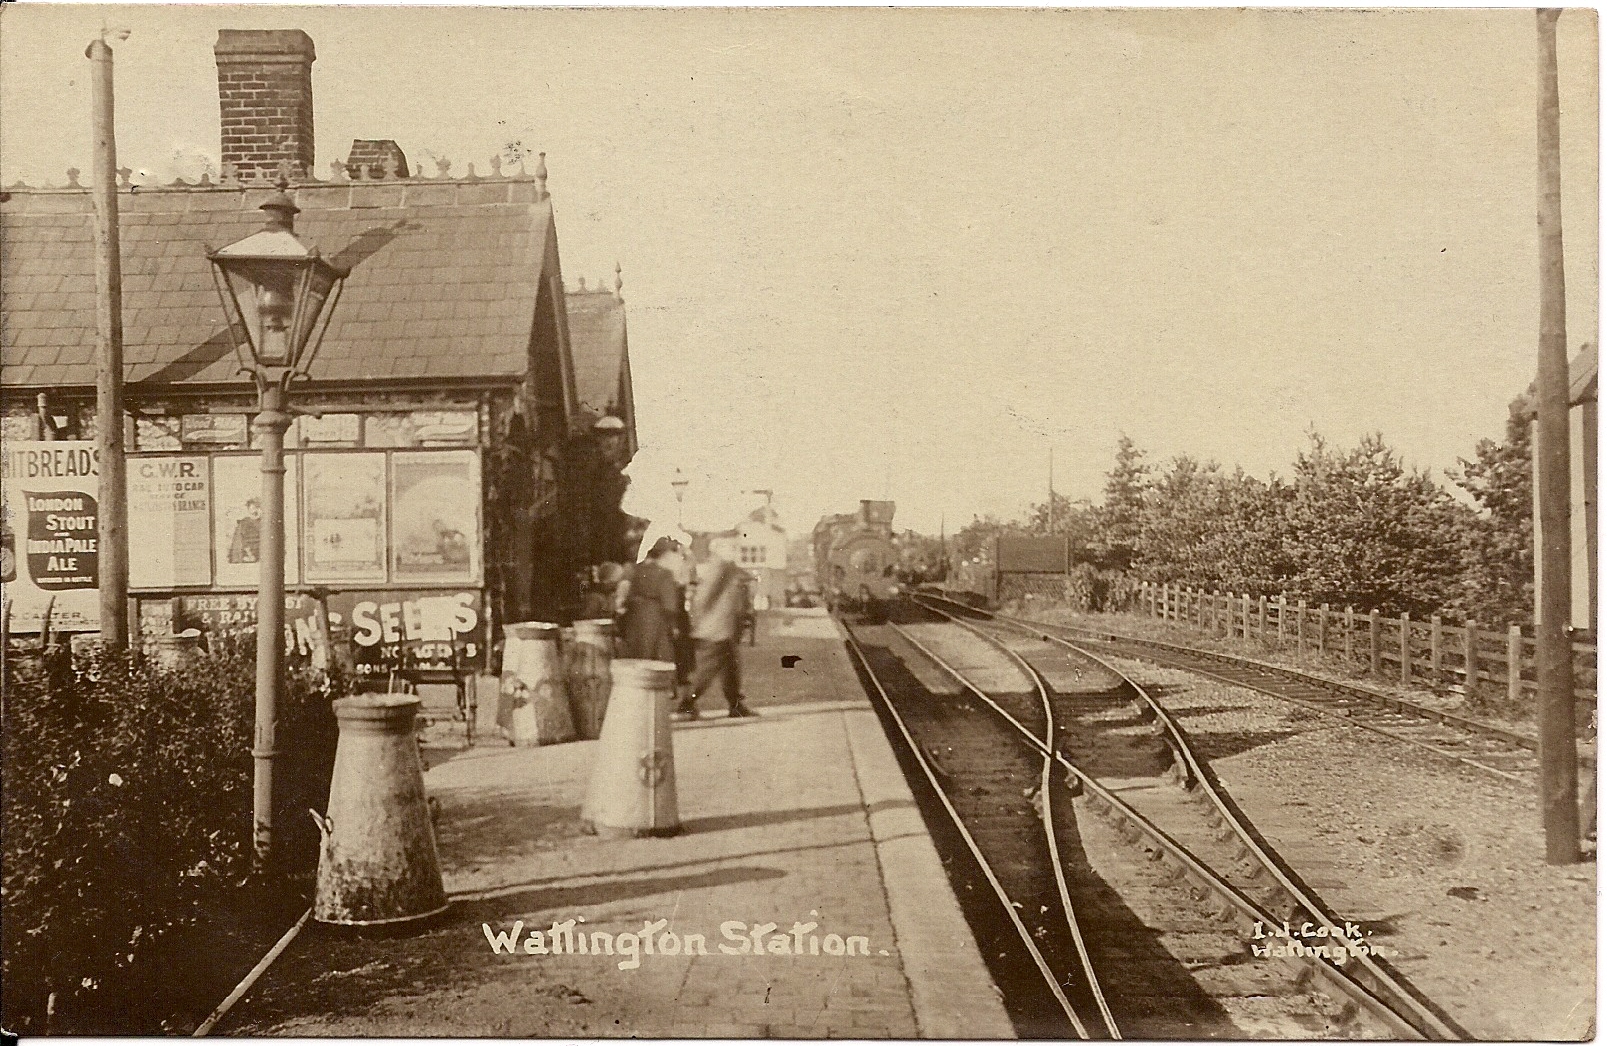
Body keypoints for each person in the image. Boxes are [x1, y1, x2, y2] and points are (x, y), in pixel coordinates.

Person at [677, 548, 756, 721]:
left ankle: (736, 705)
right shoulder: (720, 570)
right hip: (714, 631)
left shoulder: (725, 571)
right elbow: (705, 599)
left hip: (721, 630)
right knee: (706, 671)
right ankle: (686, 704)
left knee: (731, 669)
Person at [618, 538, 683, 663]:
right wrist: (673, 624)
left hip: (635, 615)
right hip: (655, 616)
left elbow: (628, 596)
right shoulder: (664, 574)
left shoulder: (636, 571)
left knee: (637, 652)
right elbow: (669, 603)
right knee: (657, 652)